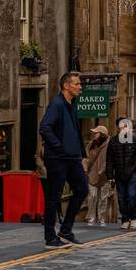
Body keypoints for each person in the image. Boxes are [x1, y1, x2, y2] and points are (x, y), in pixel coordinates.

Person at [39, 72, 88, 247]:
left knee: (82, 189)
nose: (80, 86)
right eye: (76, 83)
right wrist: (59, 148)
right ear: (66, 86)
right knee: (54, 197)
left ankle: (66, 230)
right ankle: (50, 237)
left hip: (73, 158)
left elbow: (75, 132)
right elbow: (45, 127)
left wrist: (82, 155)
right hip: (57, 159)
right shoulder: (57, 105)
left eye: (79, 83)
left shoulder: (71, 105)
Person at [107, 117, 136, 230]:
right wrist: (110, 176)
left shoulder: (135, 140)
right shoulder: (113, 141)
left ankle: (134, 218)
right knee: (121, 198)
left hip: (132, 174)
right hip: (119, 174)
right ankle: (125, 219)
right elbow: (109, 160)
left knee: (131, 196)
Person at [84, 125, 113, 227]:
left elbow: (111, 159)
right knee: (92, 196)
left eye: (96, 133)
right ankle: (91, 217)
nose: (94, 134)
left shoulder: (110, 144)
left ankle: (101, 218)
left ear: (102, 134)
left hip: (104, 175)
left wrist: (106, 169)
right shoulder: (90, 145)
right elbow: (86, 158)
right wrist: (85, 167)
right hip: (92, 174)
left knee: (103, 198)